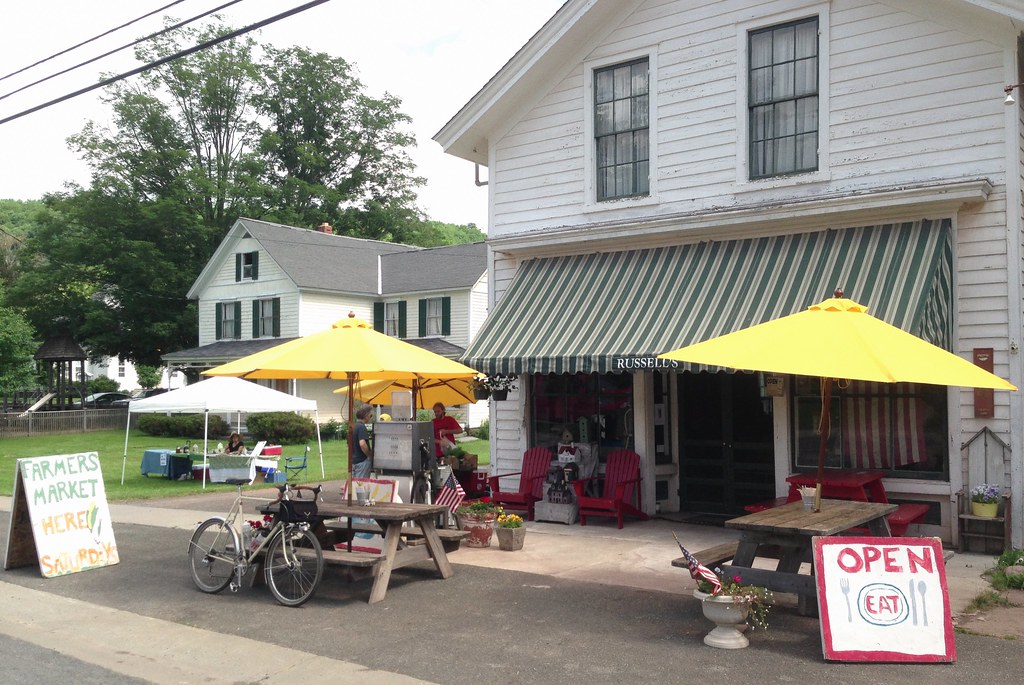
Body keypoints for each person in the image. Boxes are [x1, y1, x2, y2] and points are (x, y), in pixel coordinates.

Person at [351, 404, 374, 479]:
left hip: (353, 460)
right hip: (362, 461)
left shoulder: (353, 426)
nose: (370, 418)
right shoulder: (361, 427)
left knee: (354, 485)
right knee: (361, 486)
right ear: (366, 415)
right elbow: (362, 444)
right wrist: (369, 455)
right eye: (371, 415)